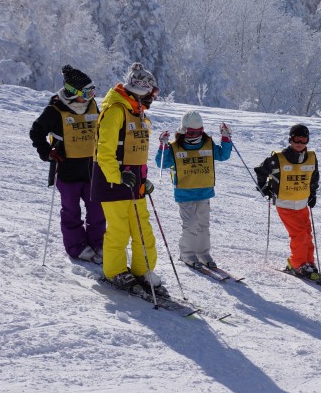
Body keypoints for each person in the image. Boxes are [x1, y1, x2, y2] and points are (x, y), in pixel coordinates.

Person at [90, 62, 164, 294]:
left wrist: (144, 178)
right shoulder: (115, 110)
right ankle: (115, 271)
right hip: (113, 181)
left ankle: (143, 269)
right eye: (151, 93)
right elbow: (104, 150)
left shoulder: (136, 112)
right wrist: (117, 175)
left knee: (143, 228)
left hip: (136, 182)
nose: (153, 98)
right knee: (119, 230)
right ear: (141, 92)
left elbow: (137, 149)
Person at [30, 65, 105, 263]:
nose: (90, 96)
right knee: (71, 211)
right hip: (67, 170)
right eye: (87, 93)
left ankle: (98, 242)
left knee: (98, 209)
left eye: (93, 92)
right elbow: (36, 132)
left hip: (92, 168)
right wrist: (47, 152)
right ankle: (76, 246)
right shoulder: (55, 110)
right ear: (72, 93)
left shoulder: (91, 105)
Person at [155, 111, 233, 269]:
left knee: (203, 225)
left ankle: (203, 253)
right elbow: (161, 163)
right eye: (191, 132)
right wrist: (162, 146)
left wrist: (226, 137)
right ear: (183, 130)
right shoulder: (175, 147)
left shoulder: (208, 144)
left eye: (198, 132)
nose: (194, 135)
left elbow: (224, 155)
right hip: (185, 192)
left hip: (204, 191)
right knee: (190, 225)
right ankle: (187, 253)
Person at [255, 124, 320, 280]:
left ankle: (308, 262)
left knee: (306, 233)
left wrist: (313, 194)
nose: (300, 143)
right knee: (299, 234)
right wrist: (264, 188)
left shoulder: (311, 157)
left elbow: (314, 177)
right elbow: (260, 171)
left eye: (303, 140)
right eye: (297, 139)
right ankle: (297, 264)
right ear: (291, 139)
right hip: (285, 203)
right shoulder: (278, 158)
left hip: (302, 203)